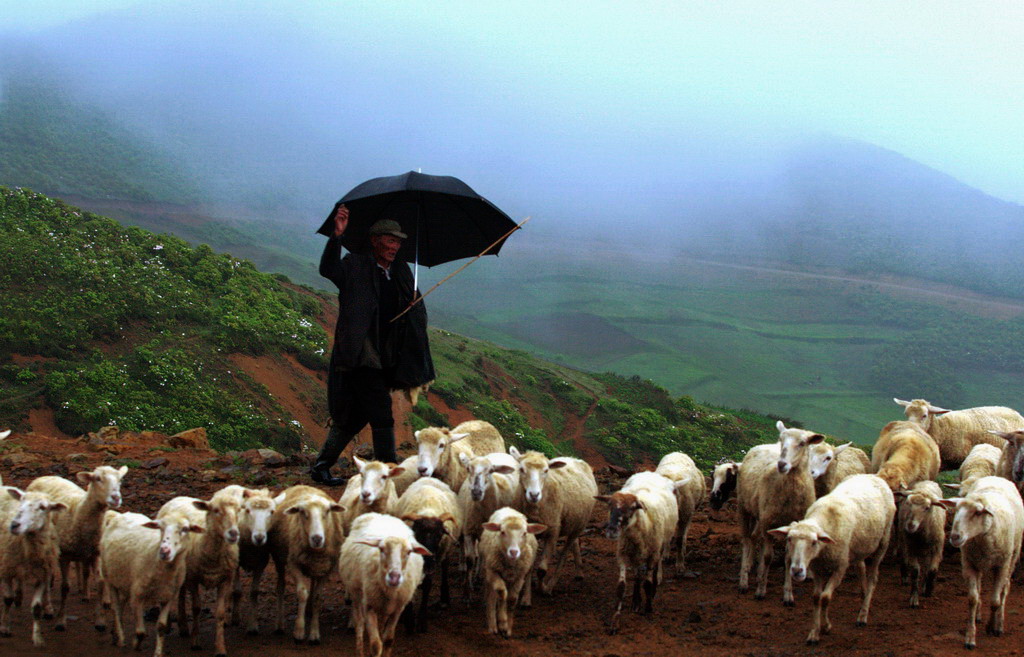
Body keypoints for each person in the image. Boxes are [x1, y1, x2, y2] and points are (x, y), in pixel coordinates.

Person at [310, 204, 435, 486]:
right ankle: (388, 471)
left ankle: (321, 466)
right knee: (380, 410)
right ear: (375, 240)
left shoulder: (402, 271)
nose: (395, 246)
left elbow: (411, 311)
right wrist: (336, 237)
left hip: (387, 354)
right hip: (360, 353)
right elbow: (328, 270)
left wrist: (411, 306)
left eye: (399, 242)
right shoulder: (354, 265)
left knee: (355, 416)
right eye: (390, 240)